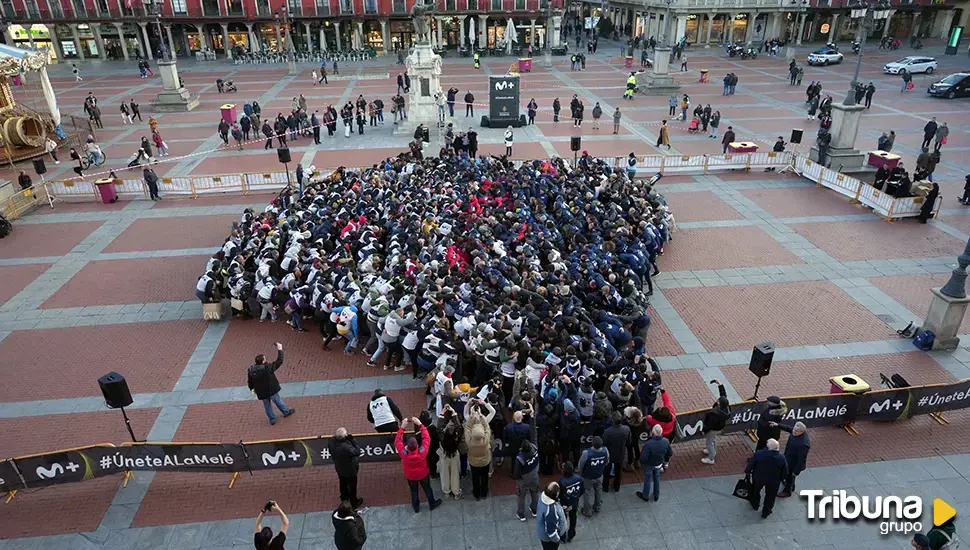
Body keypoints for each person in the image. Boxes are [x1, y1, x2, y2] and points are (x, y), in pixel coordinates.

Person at [394, 417, 442, 513]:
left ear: (407, 446)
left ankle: (416, 507)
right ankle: (432, 503)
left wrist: (402, 427)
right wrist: (420, 424)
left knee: (414, 491)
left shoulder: (404, 454)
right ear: (417, 445)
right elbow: (426, 438)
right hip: (423, 474)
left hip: (410, 476)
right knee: (427, 488)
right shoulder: (422, 452)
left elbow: (397, 441)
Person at [247, 342, 296, 425]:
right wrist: (280, 349)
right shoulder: (267, 368)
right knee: (277, 400)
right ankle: (285, 412)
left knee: (267, 405)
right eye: (265, 359)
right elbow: (279, 361)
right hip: (271, 389)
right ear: (263, 361)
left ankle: (272, 419)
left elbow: (250, 381)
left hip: (261, 392)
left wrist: (252, 389)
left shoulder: (251, 370)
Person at [745, 438, 788, 519]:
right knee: (770, 497)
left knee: (755, 491)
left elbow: (752, 464)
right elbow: (785, 471)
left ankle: (755, 504)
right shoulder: (781, 457)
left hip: (759, 478)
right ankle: (766, 512)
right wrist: (781, 478)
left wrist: (747, 471)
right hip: (773, 481)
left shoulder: (759, 454)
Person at [465, 397, 495, 500]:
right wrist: (484, 405)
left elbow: (467, 426)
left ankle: (476, 493)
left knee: (475, 478)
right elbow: (487, 426)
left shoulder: (470, 440)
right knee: (484, 477)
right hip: (485, 461)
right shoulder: (485, 438)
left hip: (474, 462)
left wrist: (468, 404)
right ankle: (484, 492)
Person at [328, 428, 364, 508]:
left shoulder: (331, 441)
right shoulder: (346, 447)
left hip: (339, 467)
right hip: (350, 469)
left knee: (342, 482)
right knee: (352, 485)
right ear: (344, 437)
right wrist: (353, 440)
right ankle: (354, 502)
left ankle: (344, 497)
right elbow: (357, 451)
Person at [773, 421, 810, 498]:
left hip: (793, 464)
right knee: (789, 476)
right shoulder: (795, 431)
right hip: (788, 458)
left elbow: (802, 459)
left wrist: (796, 471)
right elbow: (788, 428)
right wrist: (778, 425)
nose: (793, 431)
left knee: (790, 476)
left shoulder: (803, 444)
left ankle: (787, 491)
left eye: (796, 431)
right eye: (794, 430)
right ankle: (791, 486)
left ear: (802, 432)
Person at [636, 424, 671, 502]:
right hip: (659, 463)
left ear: (653, 432)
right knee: (657, 478)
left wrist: (643, 463)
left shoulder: (649, 444)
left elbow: (643, 458)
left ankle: (645, 496)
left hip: (649, 465)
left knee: (647, 479)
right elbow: (669, 453)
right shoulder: (666, 441)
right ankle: (656, 495)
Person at [701, 379, 730, 464]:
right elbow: (723, 395)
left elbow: (710, 424)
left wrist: (704, 430)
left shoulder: (715, 414)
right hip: (719, 427)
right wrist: (720, 384)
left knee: (709, 441)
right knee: (712, 439)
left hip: (713, 429)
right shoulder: (726, 408)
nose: (717, 400)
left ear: (719, 404)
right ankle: (712, 451)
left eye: (718, 401)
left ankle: (711, 458)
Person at [578, 436, 607, 517]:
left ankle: (587, 511)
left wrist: (581, 474)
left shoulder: (586, 453)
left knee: (587, 492)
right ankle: (597, 507)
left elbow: (580, 466)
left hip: (588, 477)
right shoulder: (605, 451)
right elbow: (607, 462)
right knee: (598, 490)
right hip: (599, 475)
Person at [601, 412, 630, 493]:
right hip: (620, 453)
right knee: (618, 471)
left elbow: (603, 443)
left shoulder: (607, 431)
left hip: (609, 454)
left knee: (606, 471)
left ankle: (605, 487)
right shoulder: (626, 429)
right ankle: (617, 487)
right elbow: (629, 441)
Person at [513, 440, 540, 521]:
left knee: (521, 496)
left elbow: (516, 472)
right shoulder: (534, 449)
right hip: (534, 475)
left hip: (523, 479)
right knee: (534, 493)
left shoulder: (520, 458)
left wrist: (516, 477)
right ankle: (534, 510)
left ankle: (521, 514)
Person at [536, 482, 568, 549]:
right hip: (549, 540)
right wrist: (557, 540)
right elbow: (551, 532)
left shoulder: (541, 496)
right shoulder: (550, 511)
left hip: (542, 533)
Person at [558, 461, 583, 542]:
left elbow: (561, 495)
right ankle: (571, 535)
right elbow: (582, 490)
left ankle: (563, 536)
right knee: (573, 519)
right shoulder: (578, 478)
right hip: (574, 503)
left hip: (565, 505)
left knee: (563, 520)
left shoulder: (562, 482)